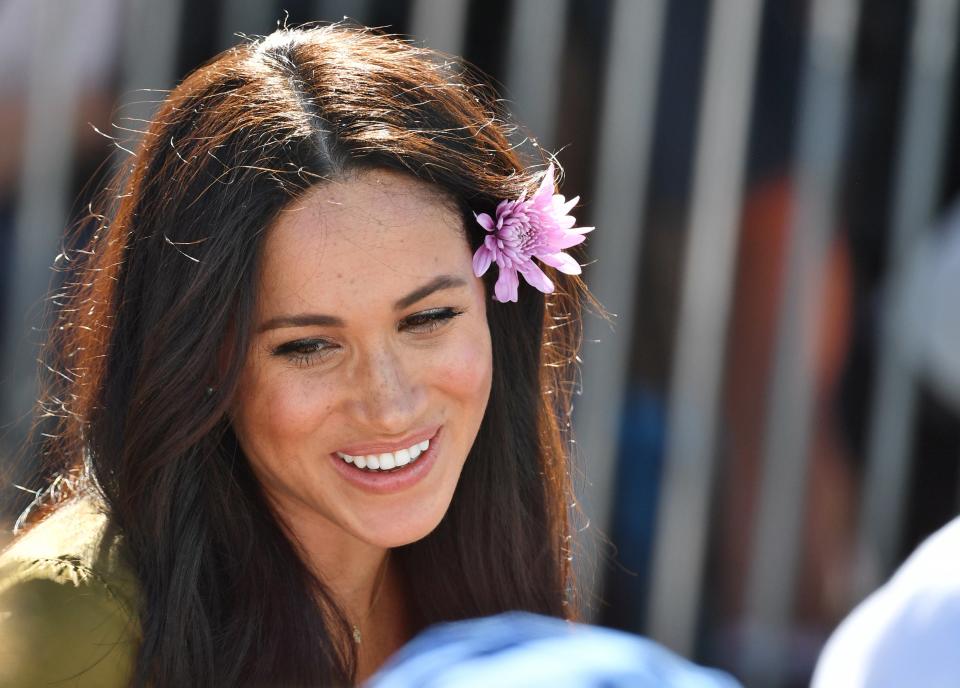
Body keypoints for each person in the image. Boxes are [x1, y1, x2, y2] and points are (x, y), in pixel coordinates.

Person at [0, 24, 590, 687]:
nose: (390, 404)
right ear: (197, 363)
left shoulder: (482, 564)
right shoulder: (67, 618)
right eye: (308, 347)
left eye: (428, 318)